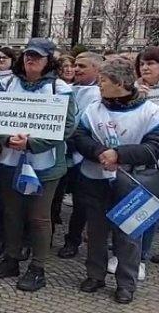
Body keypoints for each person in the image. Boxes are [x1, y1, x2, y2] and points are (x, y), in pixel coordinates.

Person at [74, 59, 159, 304]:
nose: (100, 85)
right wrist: (99, 152)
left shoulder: (152, 112)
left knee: (129, 235)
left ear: (120, 83)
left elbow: (154, 148)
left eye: (104, 81)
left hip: (132, 181)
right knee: (96, 231)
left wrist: (119, 154)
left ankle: (126, 283)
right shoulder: (93, 110)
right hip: (95, 178)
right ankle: (95, 274)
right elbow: (80, 137)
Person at [0, 38, 76, 292]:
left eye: (37, 57)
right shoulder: (6, 84)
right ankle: (12, 257)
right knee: (12, 213)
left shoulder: (60, 89)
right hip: (10, 161)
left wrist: (32, 144)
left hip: (44, 165)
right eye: (27, 56)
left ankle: (38, 267)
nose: (30, 60)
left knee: (38, 217)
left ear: (49, 61)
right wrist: (7, 138)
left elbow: (67, 127)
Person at [56, 52, 104, 259]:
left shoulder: (101, 93)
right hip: (62, 150)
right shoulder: (68, 89)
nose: (76, 69)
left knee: (81, 202)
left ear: (97, 69)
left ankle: (73, 239)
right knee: (54, 197)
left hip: (83, 155)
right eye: (75, 65)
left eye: (82, 66)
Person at [133, 47, 159, 272]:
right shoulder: (135, 89)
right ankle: (138, 257)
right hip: (141, 158)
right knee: (144, 207)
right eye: (142, 63)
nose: (145, 68)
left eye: (151, 64)